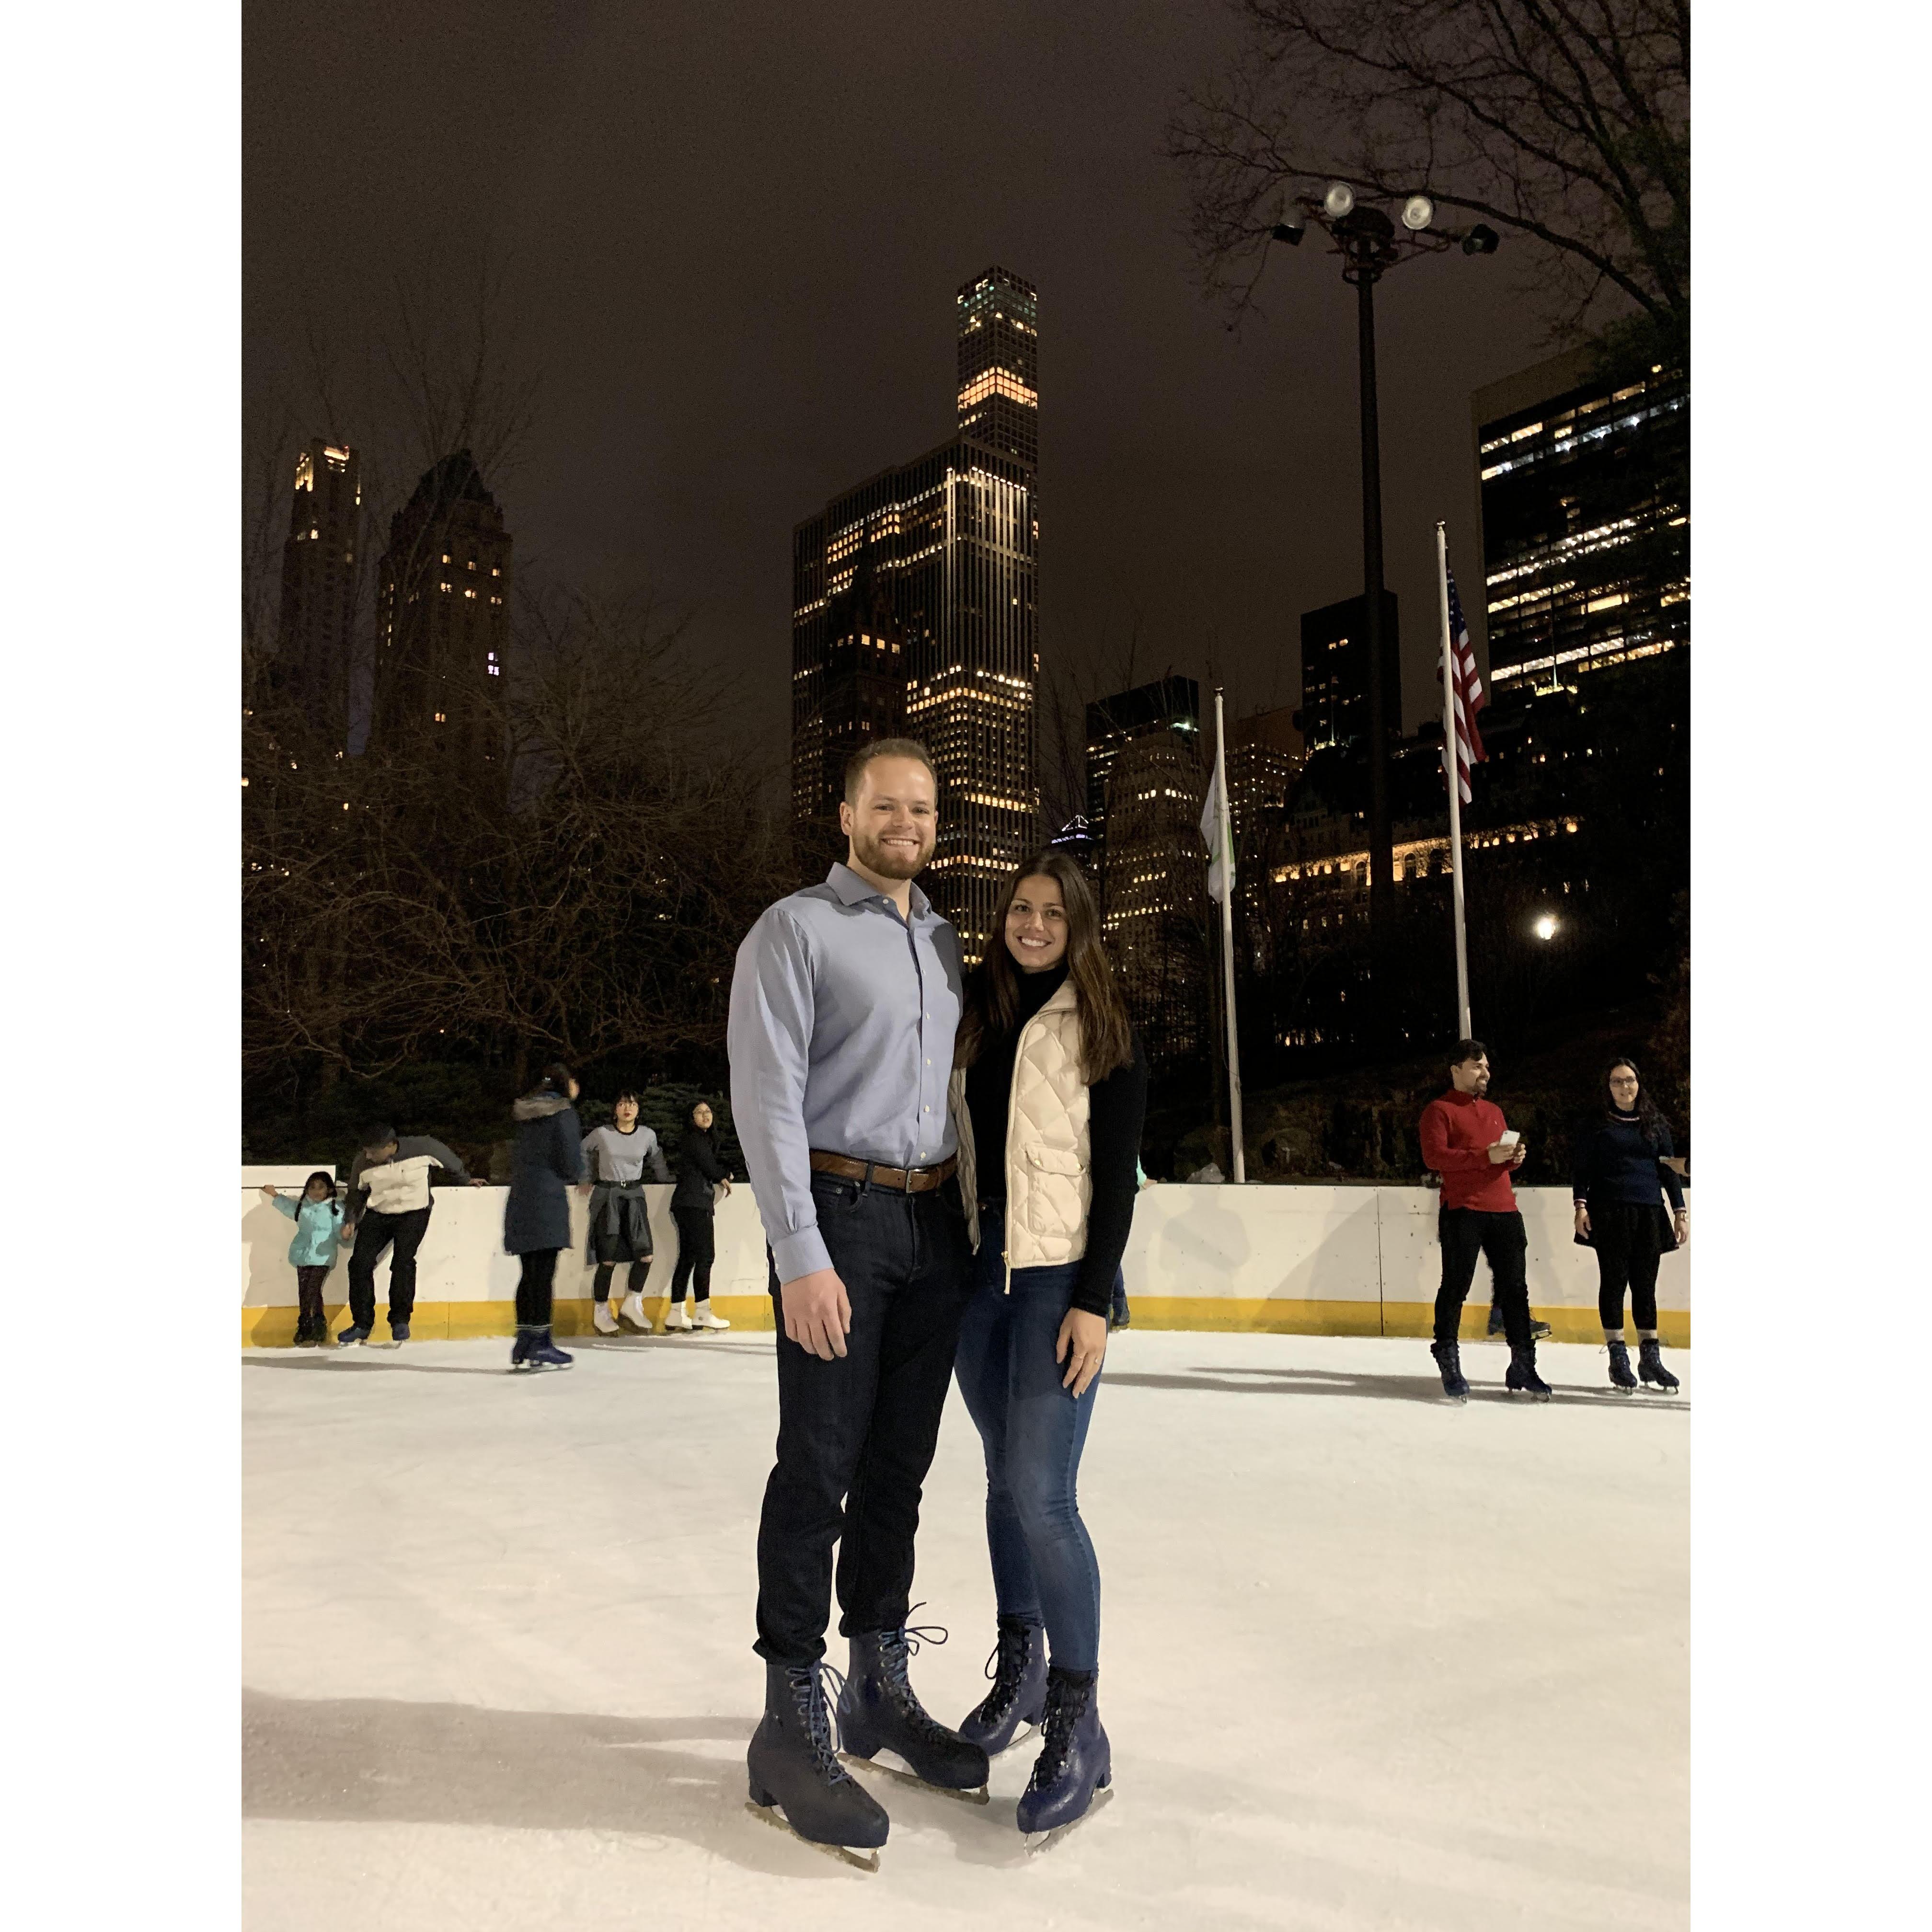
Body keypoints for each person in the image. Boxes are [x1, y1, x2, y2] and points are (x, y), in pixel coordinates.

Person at [728, 737, 985, 1861]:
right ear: (845, 813)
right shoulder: (796, 931)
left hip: (936, 1225)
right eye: (887, 804)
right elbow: (767, 1096)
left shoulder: (943, 938)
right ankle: (790, 1717)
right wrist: (800, 1252)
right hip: (841, 1216)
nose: (906, 822)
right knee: (820, 1466)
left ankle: (876, 1682)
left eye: (922, 808)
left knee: (899, 1471)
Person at [948, 851, 1145, 1838]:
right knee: (998, 1482)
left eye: (1052, 915)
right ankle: (1021, 1671)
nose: (1033, 925)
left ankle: (1081, 1717)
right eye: (1020, 910)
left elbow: (1120, 1177)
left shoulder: (1101, 1023)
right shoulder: (975, 1011)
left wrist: (1096, 1298)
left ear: (1078, 927)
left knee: (1042, 1493)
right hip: (979, 1276)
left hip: (1059, 1281)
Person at [1417, 1041, 1551, 1402]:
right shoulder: (1439, 1110)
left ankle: (1523, 1364)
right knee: (1456, 1286)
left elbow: (1496, 1161)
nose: (1485, 1073)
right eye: (1477, 1066)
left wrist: (1512, 1158)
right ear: (1456, 1070)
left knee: (1515, 1290)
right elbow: (1435, 1157)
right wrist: (1486, 1155)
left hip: (1505, 1209)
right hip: (1463, 1209)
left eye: (1487, 1067)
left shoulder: (1494, 1111)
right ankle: (1447, 1356)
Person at [1573, 1057, 1688, 1393]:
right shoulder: (1596, 1123)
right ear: (1608, 1088)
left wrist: (1679, 1210)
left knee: (1645, 1285)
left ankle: (1650, 1358)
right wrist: (1581, 1206)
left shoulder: (1654, 1122)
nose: (1625, 1087)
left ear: (1639, 1083)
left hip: (1649, 1212)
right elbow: (1583, 1169)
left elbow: (1668, 1168)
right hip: (1609, 1212)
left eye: (1630, 1080)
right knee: (1614, 1283)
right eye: (1617, 1082)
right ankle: (1618, 1357)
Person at [341, 1124, 485, 1347]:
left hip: (414, 1213)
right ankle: (362, 1323)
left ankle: (400, 1320)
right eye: (366, 1151)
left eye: (373, 1151)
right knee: (359, 1264)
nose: (368, 1155)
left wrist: (465, 1179)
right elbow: (355, 1192)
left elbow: (448, 1160)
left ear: (390, 1146)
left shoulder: (423, 1147)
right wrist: (350, 1219)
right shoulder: (363, 1161)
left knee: (403, 1263)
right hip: (379, 1214)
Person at [505, 1064, 586, 1372]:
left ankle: (524, 1341)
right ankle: (540, 1342)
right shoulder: (563, 1113)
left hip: (521, 1197)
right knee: (543, 1273)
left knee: (529, 1272)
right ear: (566, 1085)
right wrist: (575, 1173)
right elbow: (570, 1162)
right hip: (547, 1198)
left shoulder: (526, 1114)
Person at [580, 1089, 671, 1335]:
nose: (627, 1108)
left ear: (638, 1109)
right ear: (615, 1110)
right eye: (622, 1104)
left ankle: (633, 1303)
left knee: (646, 1255)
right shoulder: (603, 1134)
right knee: (608, 1258)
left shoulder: (647, 1135)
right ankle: (601, 1311)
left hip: (635, 1196)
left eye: (631, 1104)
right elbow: (583, 1150)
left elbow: (657, 1159)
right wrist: (586, 1177)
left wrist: (666, 1180)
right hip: (608, 1195)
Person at [663, 1099, 733, 1333]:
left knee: (689, 1258)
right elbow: (709, 1167)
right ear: (691, 1118)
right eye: (699, 1112)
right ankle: (702, 1312)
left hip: (687, 1204)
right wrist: (725, 1174)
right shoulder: (695, 1139)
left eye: (708, 1111)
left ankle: (676, 1313)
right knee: (706, 1256)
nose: (705, 1115)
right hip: (694, 1204)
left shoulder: (701, 1139)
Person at [260, 1172, 345, 1347]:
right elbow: (288, 1207)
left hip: (323, 1256)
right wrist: (274, 1195)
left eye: (321, 1187)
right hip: (302, 1255)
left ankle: (318, 1324)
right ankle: (305, 1324)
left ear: (329, 1189)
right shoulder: (302, 1208)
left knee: (313, 1290)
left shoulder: (335, 1208)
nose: (316, 1191)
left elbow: (340, 1232)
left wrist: (347, 1233)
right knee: (304, 1291)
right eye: (312, 1187)